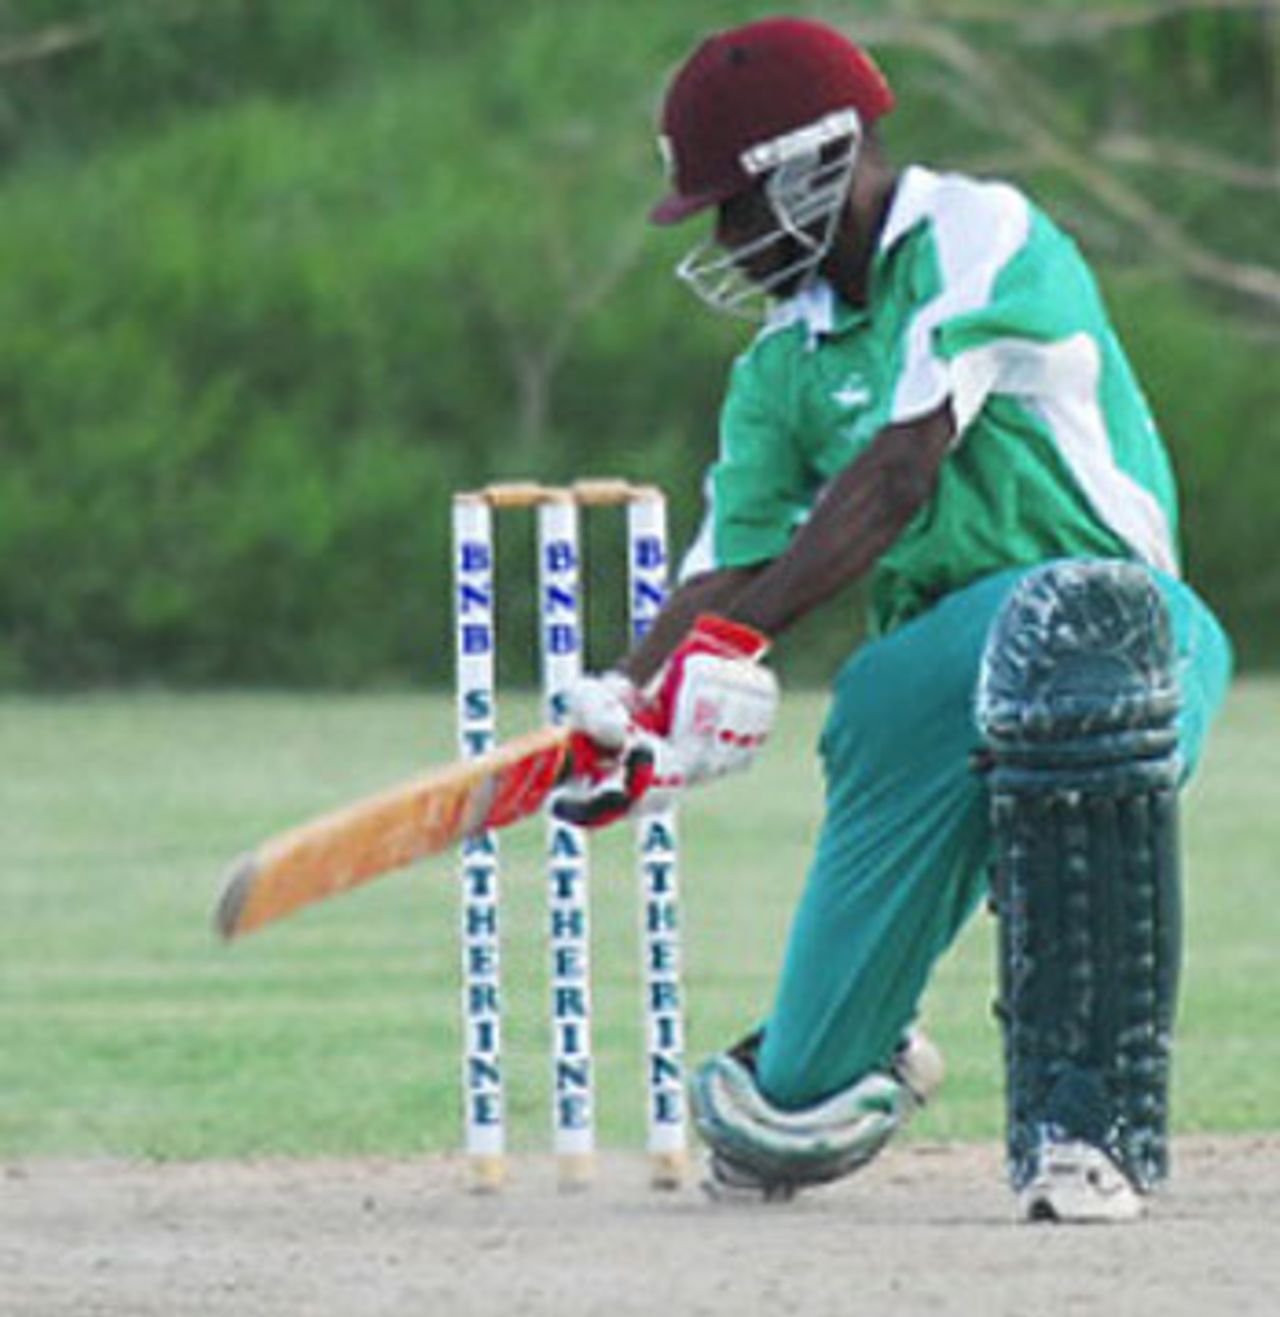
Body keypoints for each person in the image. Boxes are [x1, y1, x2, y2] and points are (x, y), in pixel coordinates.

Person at [553, 15, 1232, 1222]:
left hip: (1118, 636)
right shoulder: (777, 364)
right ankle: (857, 1046)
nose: (721, 240)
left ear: (815, 164)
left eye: (731, 206)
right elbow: (724, 565)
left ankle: (1084, 1132)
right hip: (925, 686)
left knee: (1058, 664)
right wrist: (625, 705)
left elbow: (899, 470)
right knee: (790, 1107)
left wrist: (732, 649)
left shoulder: (979, 234)